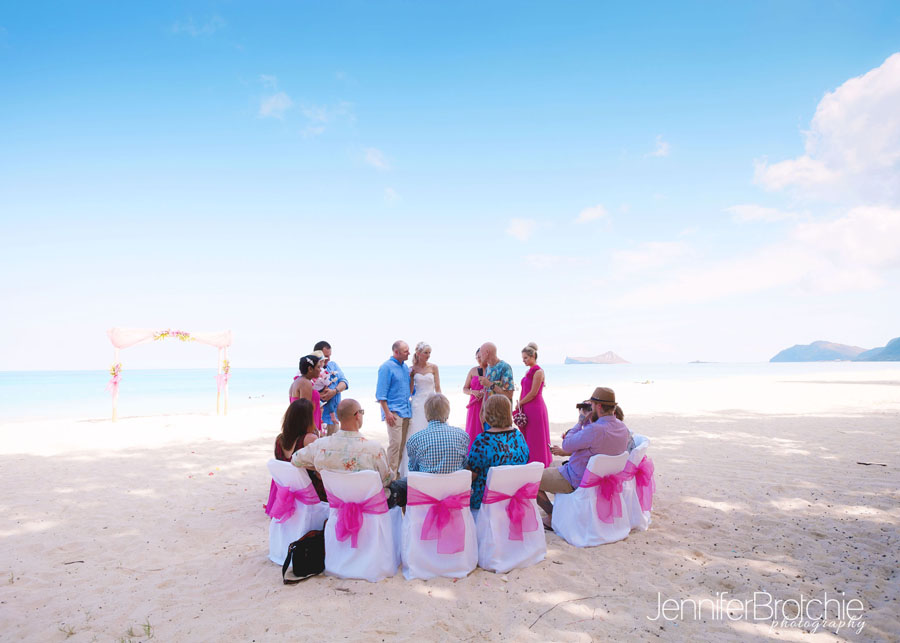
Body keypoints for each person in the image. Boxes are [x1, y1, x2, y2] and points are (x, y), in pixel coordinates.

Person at [536, 387, 631, 526]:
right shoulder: (623, 428)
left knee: (531, 479)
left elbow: (567, 445)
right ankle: (565, 509)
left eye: (591, 405)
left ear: (598, 406)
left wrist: (580, 422)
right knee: (554, 465)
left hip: (576, 479)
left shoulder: (594, 430)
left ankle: (552, 516)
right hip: (602, 480)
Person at [385, 393, 469, 508]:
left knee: (397, 486)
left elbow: (414, 471)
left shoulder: (415, 439)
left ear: (426, 414)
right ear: (447, 413)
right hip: (454, 494)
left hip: (426, 495)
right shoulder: (463, 436)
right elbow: (463, 465)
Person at [291, 398, 391, 489]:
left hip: (336, 504)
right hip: (366, 504)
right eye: (361, 412)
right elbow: (386, 480)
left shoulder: (320, 446)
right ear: (357, 415)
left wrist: (320, 469)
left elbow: (295, 460)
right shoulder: (375, 449)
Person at [464, 395, 529, 511]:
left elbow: (472, 475)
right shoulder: (519, 436)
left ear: (488, 414)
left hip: (487, 499)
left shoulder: (483, 440)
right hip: (514, 495)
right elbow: (525, 460)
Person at [265, 399, 325, 512]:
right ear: (307, 419)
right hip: (311, 491)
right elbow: (319, 469)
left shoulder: (279, 440)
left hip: (290, 490)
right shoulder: (309, 439)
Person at [400, 341, 441, 475]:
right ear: (418, 354)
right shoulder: (412, 369)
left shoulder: (434, 367)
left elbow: (438, 387)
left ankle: (434, 462)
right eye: (426, 353)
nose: (428, 355)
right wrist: (410, 377)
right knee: (415, 431)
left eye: (429, 353)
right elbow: (410, 390)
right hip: (417, 403)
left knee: (434, 432)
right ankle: (411, 467)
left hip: (432, 401)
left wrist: (441, 402)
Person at [376, 340, 412, 479]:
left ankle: (396, 475)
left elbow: (408, 390)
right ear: (396, 352)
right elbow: (381, 394)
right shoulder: (386, 367)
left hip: (406, 411)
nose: (409, 353)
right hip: (394, 412)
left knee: (402, 446)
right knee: (395, 446)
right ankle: (389, 478)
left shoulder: (405, 367)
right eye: (405, 351)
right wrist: (387, 413)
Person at [516, 342, 552, 467]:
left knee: (537, 436)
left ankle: (540, 462)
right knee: (528, 436)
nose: (524, 361)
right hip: (527, 406)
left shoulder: (538, 372)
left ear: (533, 356)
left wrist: (519, 402)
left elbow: (533, 393)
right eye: (522, 358)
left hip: (535, 407)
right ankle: (530, 461)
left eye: (525, 358)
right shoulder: (528, 371)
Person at [313, 340, 349, 436]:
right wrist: (318, 395)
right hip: (317, 419)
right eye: (326, 356)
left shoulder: (333, 365)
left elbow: (344, 382)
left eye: (330, 356)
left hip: (334, 419)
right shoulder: (310, 369)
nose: (328, 359)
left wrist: (334, 391)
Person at [289, 354, 323, 431]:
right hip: (307, 427)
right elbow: (306, 411)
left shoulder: (296, 382)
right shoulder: (305, 383)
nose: (320, 370)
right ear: (310, 369)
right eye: (318, 367)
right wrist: (314, 430)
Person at [462, 347, 487, 450]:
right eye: (476, 357)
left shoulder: (491, 370)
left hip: (486, 404)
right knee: (472, 429)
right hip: (474, 405)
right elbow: (465, 388)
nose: (478, 359)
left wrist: (485, 392)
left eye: (480, 357)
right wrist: (473, 392)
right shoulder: (473, 370)